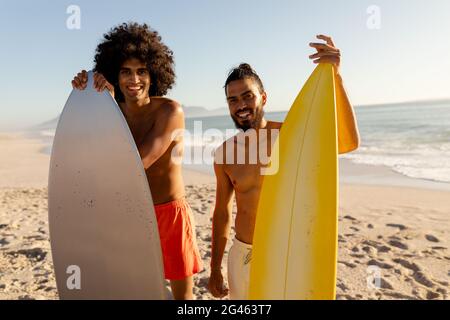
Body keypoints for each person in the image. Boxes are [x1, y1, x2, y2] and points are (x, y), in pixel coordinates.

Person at [208, 35, 360, 300]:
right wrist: (214, 269)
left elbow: (347, 142)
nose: (241, 105)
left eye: (247, 96)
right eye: (233, 100)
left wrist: (336, 76)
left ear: (263, 98)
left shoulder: (290, 137)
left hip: (286, 250)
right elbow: (222, 213)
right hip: (243, 253)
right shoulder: (224, 154)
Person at [71, 22, 203, 300]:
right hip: (130, 211)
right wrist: (88, 96)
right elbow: (90, 145)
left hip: (169, 213)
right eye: (125, 72)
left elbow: (140, 160)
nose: (134, 80)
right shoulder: (111, 110)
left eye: (142, 71)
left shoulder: (170, 110)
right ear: (114, 76)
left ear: (154, 73)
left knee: (183, 297)